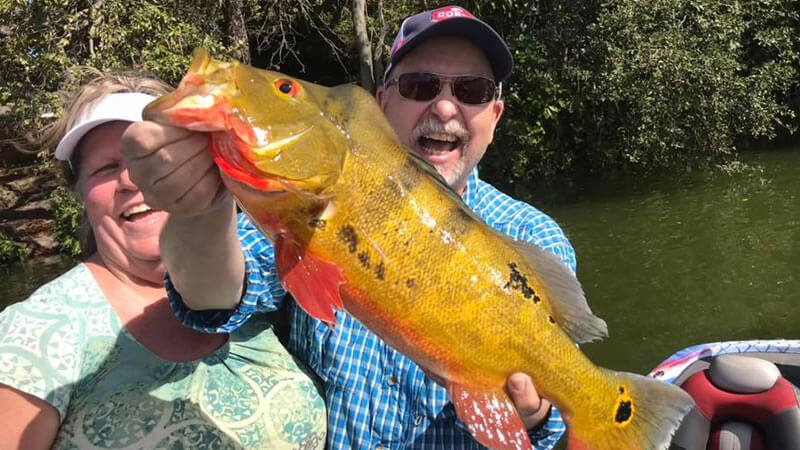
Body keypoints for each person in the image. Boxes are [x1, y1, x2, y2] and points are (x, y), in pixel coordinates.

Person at [122, 5, 576, 449]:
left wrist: (536, 414)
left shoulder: (531, 235)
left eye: (472, 91)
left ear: (495, 117)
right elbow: (212, 300)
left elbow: (551, 419)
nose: (443, 106)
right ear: (382, 103)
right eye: (419, 86)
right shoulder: (302, 201)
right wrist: (198, 211)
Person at [0, 73, 326, 449]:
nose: (132, 179)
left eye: (159, 159)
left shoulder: (261, 278)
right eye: (106, 168)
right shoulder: (35, 331)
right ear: (80, 194)